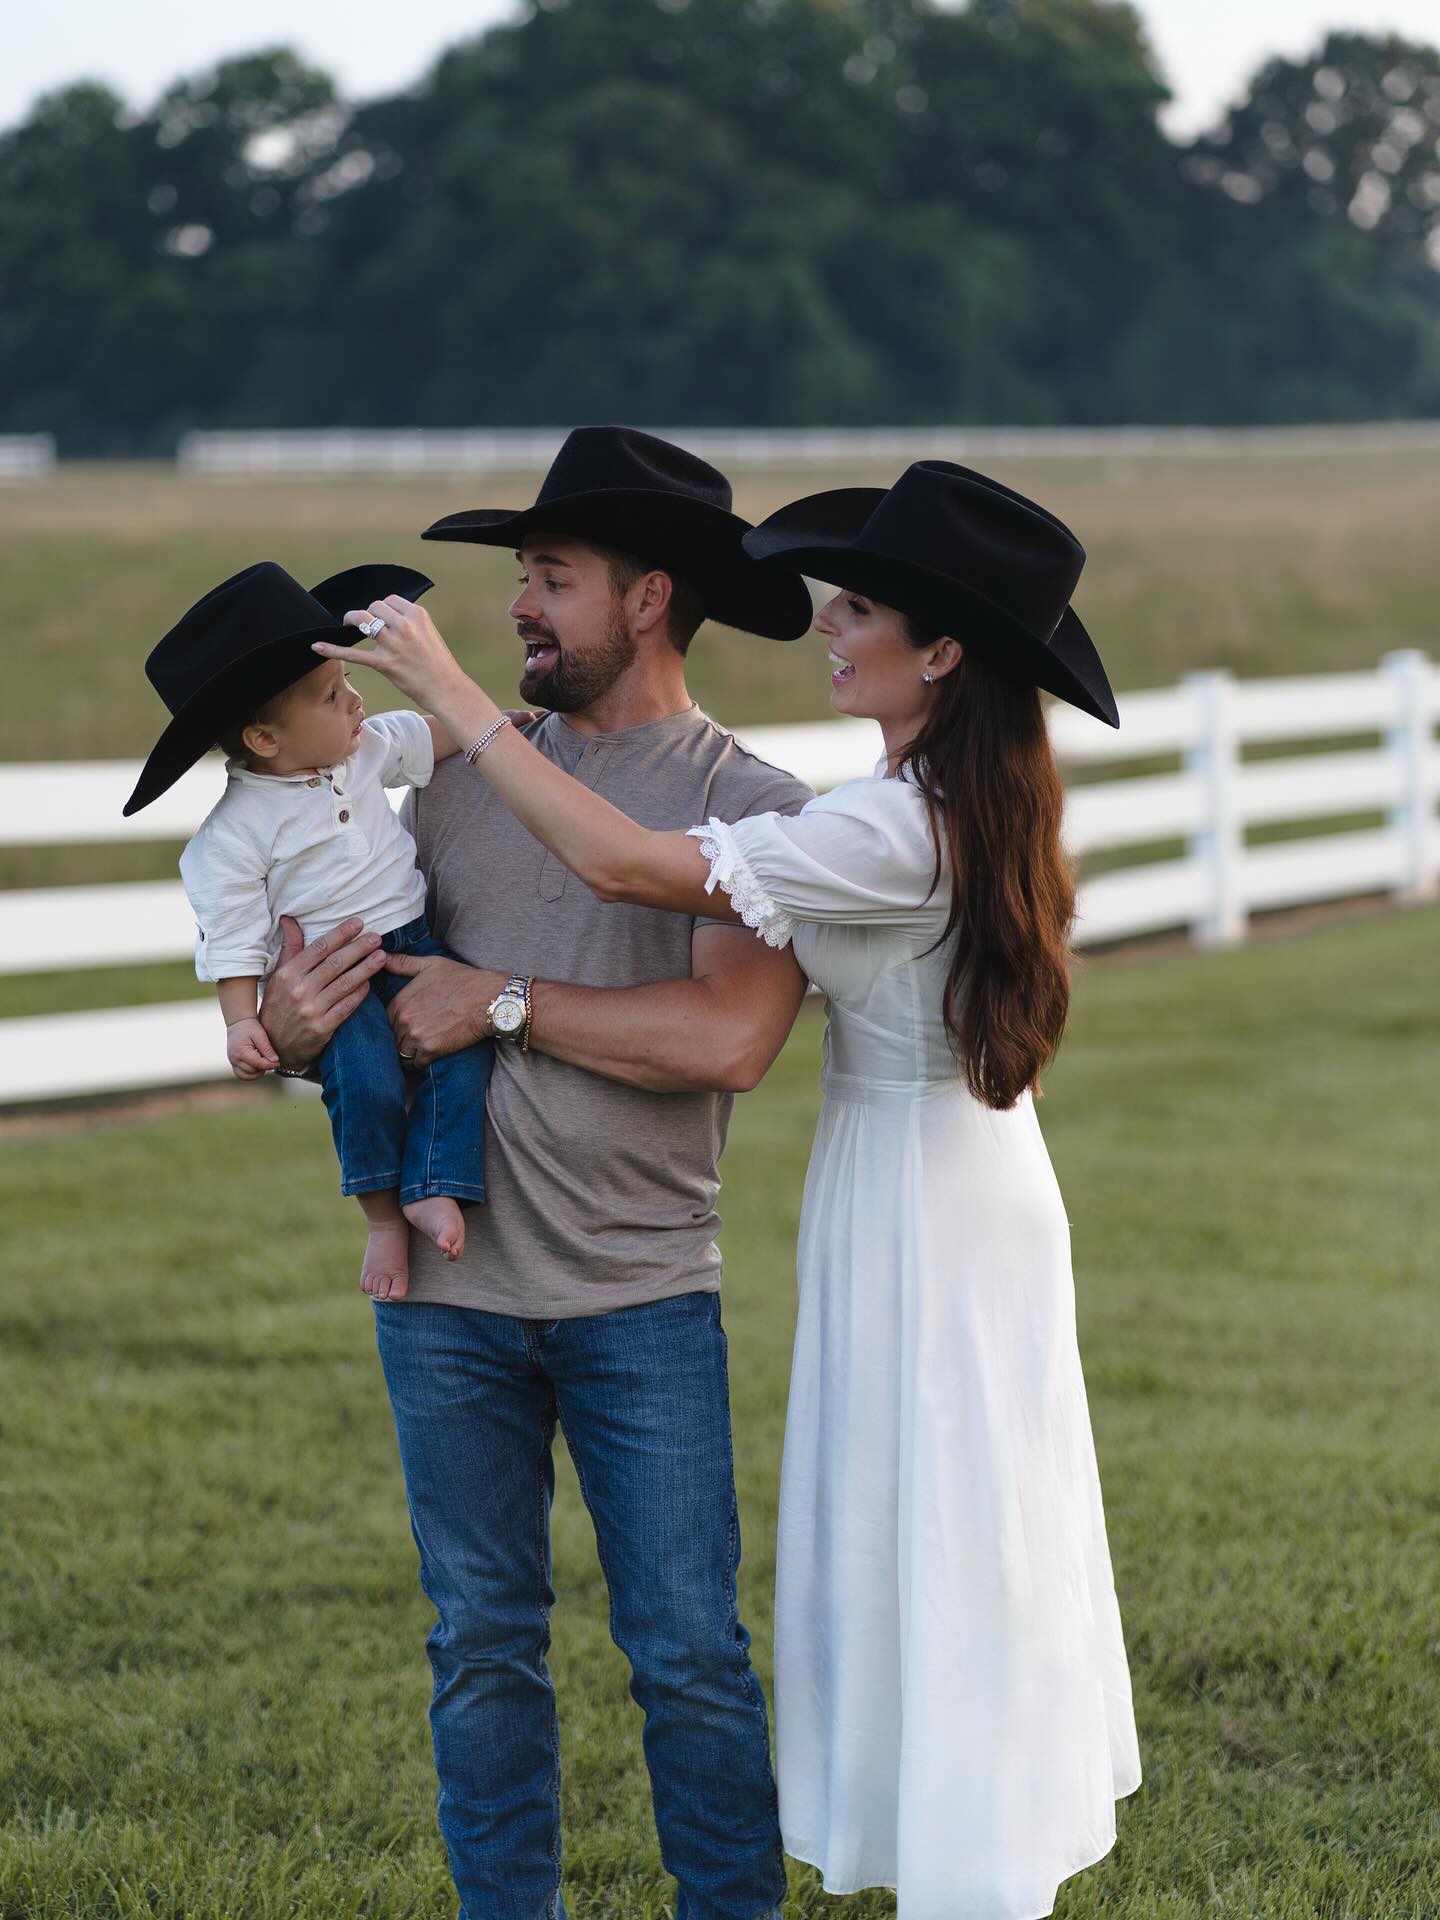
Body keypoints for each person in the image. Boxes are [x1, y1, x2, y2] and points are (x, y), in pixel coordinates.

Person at [317, 458, 1143, 1920]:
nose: (829, 621)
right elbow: (366, 964)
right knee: (909, 1543)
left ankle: (958, 1867)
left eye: (861, 607)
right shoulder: (910, 800)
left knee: (917, 1552)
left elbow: (652, 906)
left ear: (943, 653)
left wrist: (455, 713)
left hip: (894, 1213)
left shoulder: (868, 821)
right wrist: (289, 1012)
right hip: (878, 1190)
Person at [258, 428, 817, 1920]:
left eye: (552, 578)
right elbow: (365, 999)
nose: (518, 605)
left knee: (688, 1654)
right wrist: (290, 1029)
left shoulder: (755, 805)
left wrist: (502, 999)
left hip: (642, 1298)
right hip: (447, 1305)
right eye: (521, 576)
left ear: (649, 597)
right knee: (481, 1646)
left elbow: (728, 1042)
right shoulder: (451, 783)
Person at [122, 560, 493, 1301]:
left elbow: (428, 737)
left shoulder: (364, 749)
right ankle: (382, 1216)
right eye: (331, 695)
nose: (356, 701)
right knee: (364, 1080)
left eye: (348, 682)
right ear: (265, 737)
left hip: (414, 949)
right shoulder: (235, 832)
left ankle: (433, 1183)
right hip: (337, 977)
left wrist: (500, 729)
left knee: (464, 1054)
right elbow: (231, 935)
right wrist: (240, 1022)